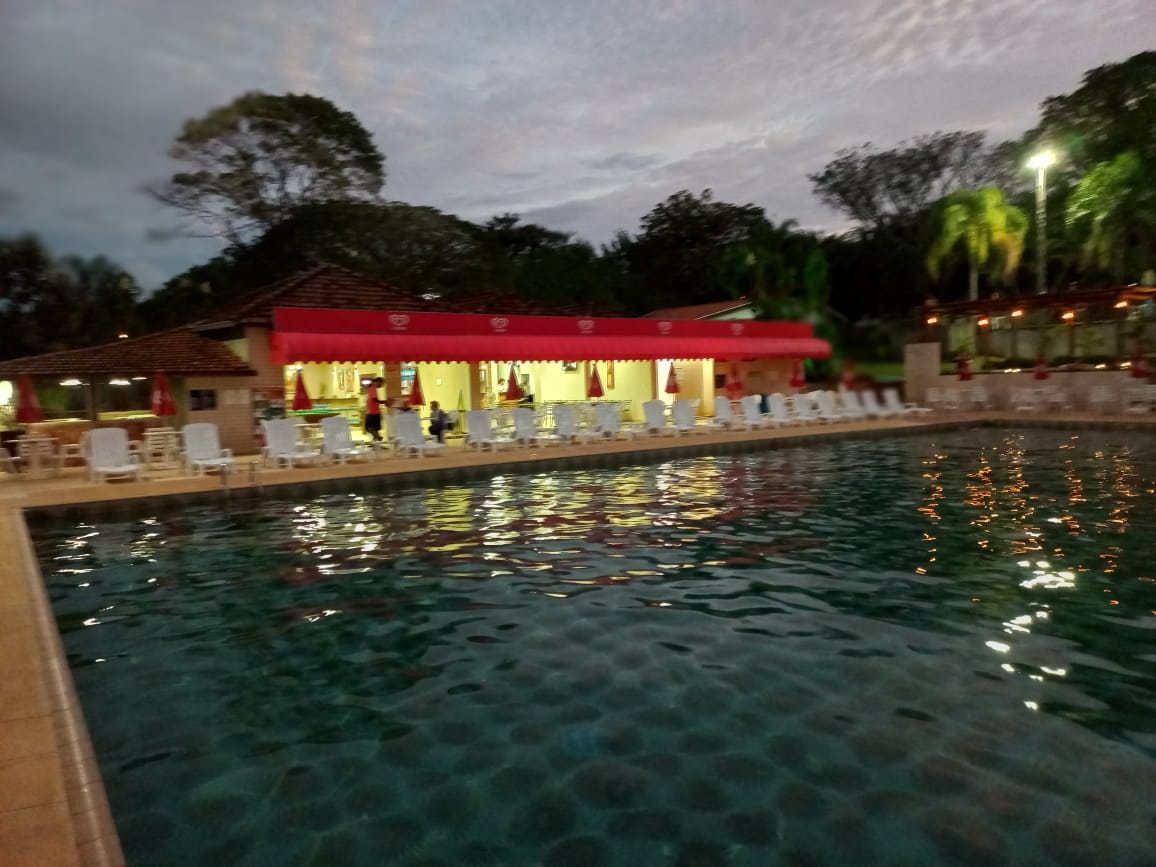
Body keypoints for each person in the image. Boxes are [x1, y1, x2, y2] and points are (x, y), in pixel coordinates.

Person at [364, 377, 384, 442]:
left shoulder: (371, 388)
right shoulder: (373, 388)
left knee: (372, 428)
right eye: (381, 383)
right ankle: (378, 438)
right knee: (371, 428)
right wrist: (383, 402)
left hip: (372, 412)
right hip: (373, 412)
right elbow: (374, 399)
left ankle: (376, 440)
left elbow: (371, 399)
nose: (381, 385)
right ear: (378, 382)